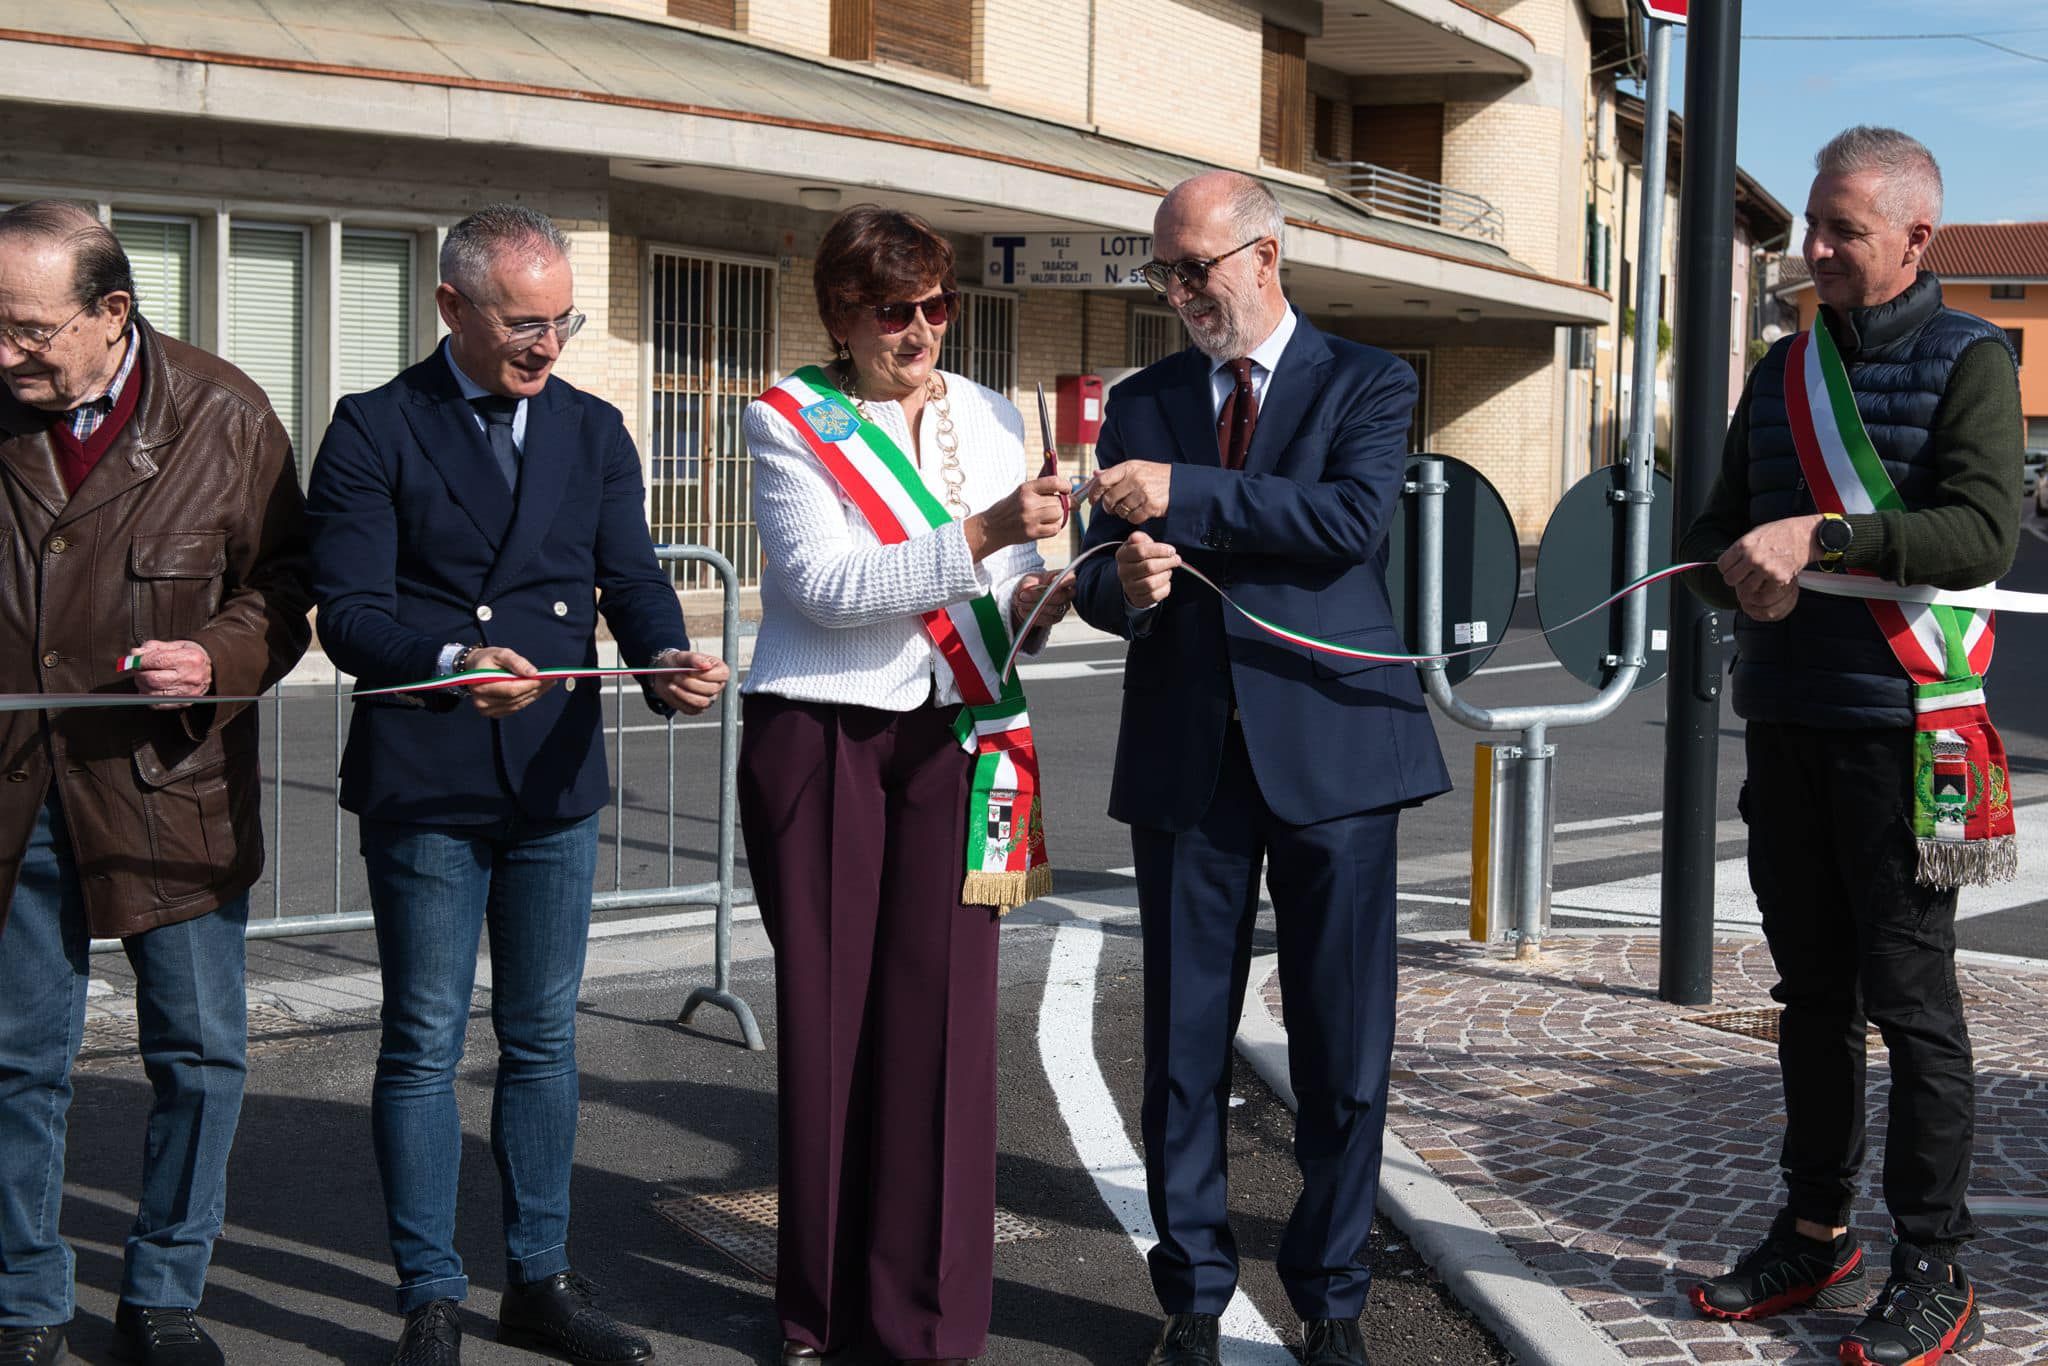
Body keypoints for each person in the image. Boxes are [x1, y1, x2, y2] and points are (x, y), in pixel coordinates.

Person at [304, 204, 729, 1366]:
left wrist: (668, 661)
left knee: (541, 1036)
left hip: (551, 775)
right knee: (423, 1039)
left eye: (564, 322)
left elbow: (630, 580)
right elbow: (348, 614)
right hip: (427, 775)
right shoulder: (374, 425)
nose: (548, 346)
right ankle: (430, 1294)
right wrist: (452, 661)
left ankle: (540, 1279)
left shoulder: (592, 428)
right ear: (451, 305)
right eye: (523, 324)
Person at [1069, 171, 1449, 1366]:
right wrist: (1121, 583)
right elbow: (1092, 575)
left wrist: (1185, 492)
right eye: (1163, 272)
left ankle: (1332, 1301)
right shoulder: (1141, 399)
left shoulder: (1367, 379)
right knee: (1182, 1041)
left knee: (1343, 1044)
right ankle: (1189, 1296)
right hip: (1187, 753)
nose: (1179, 292)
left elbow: (1348, 522)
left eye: (1196, 268)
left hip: (1335, 748)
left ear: (1266, 256)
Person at [1679, 127, 2017, 1365]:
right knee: (1808, 999)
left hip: (1904, 732)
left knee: (1912, 1005)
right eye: (1809, 228)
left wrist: (1818, 539)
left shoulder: (1972, 357)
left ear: (1916, 238)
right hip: (1785, 720)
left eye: (1841, 231)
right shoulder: (1780, 369)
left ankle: (1932, 1260)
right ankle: (1814, 1229)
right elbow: (1713, 535)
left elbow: (1979, 532)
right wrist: (1737, 576)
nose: (1812, 250)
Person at [738, 204, 1072, 1366]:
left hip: (961, 733)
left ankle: (928, 1322)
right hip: (823, 732)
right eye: (893, 310)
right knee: (831, 1022)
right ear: (840, 315)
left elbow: (1010, 586)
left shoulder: (988, 412)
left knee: (944, 1023)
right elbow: (827, 586)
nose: (921, 328)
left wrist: (1052, 592)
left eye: (937, 304)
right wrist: (983, 532)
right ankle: (822, 1313)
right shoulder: (786, 417)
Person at [0, 200, 312, 1366]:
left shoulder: (226, 415)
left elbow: (285, 588)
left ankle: (165, 1294)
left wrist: (217, 658)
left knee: (198, 1055)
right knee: (17, 1063)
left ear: (113, 312)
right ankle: (26, 1302)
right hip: (15, 795)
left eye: (29, 330)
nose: (5, 354)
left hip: (169, 789)